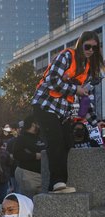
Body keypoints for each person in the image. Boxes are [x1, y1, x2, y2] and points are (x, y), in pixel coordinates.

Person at [31, 30, 105, 193]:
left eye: (94, 48)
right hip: (45, 105)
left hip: (62, 111)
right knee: (55, 140)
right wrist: (74, 89)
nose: (90, 51)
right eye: (87, 47)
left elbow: (85, 100)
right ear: (81, 44)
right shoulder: (66, 56)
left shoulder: (87, 70)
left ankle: (54, 184)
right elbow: (51, 81)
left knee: (68, 142)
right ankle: (58, 182)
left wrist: (96, 122)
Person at [12, 115, 46, 199]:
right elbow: (17, 154)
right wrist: (34, 156)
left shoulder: (40, 137)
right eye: (37, 123)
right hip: (28, 174)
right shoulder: (22, 138)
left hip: (41, 175)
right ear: (32, 124)